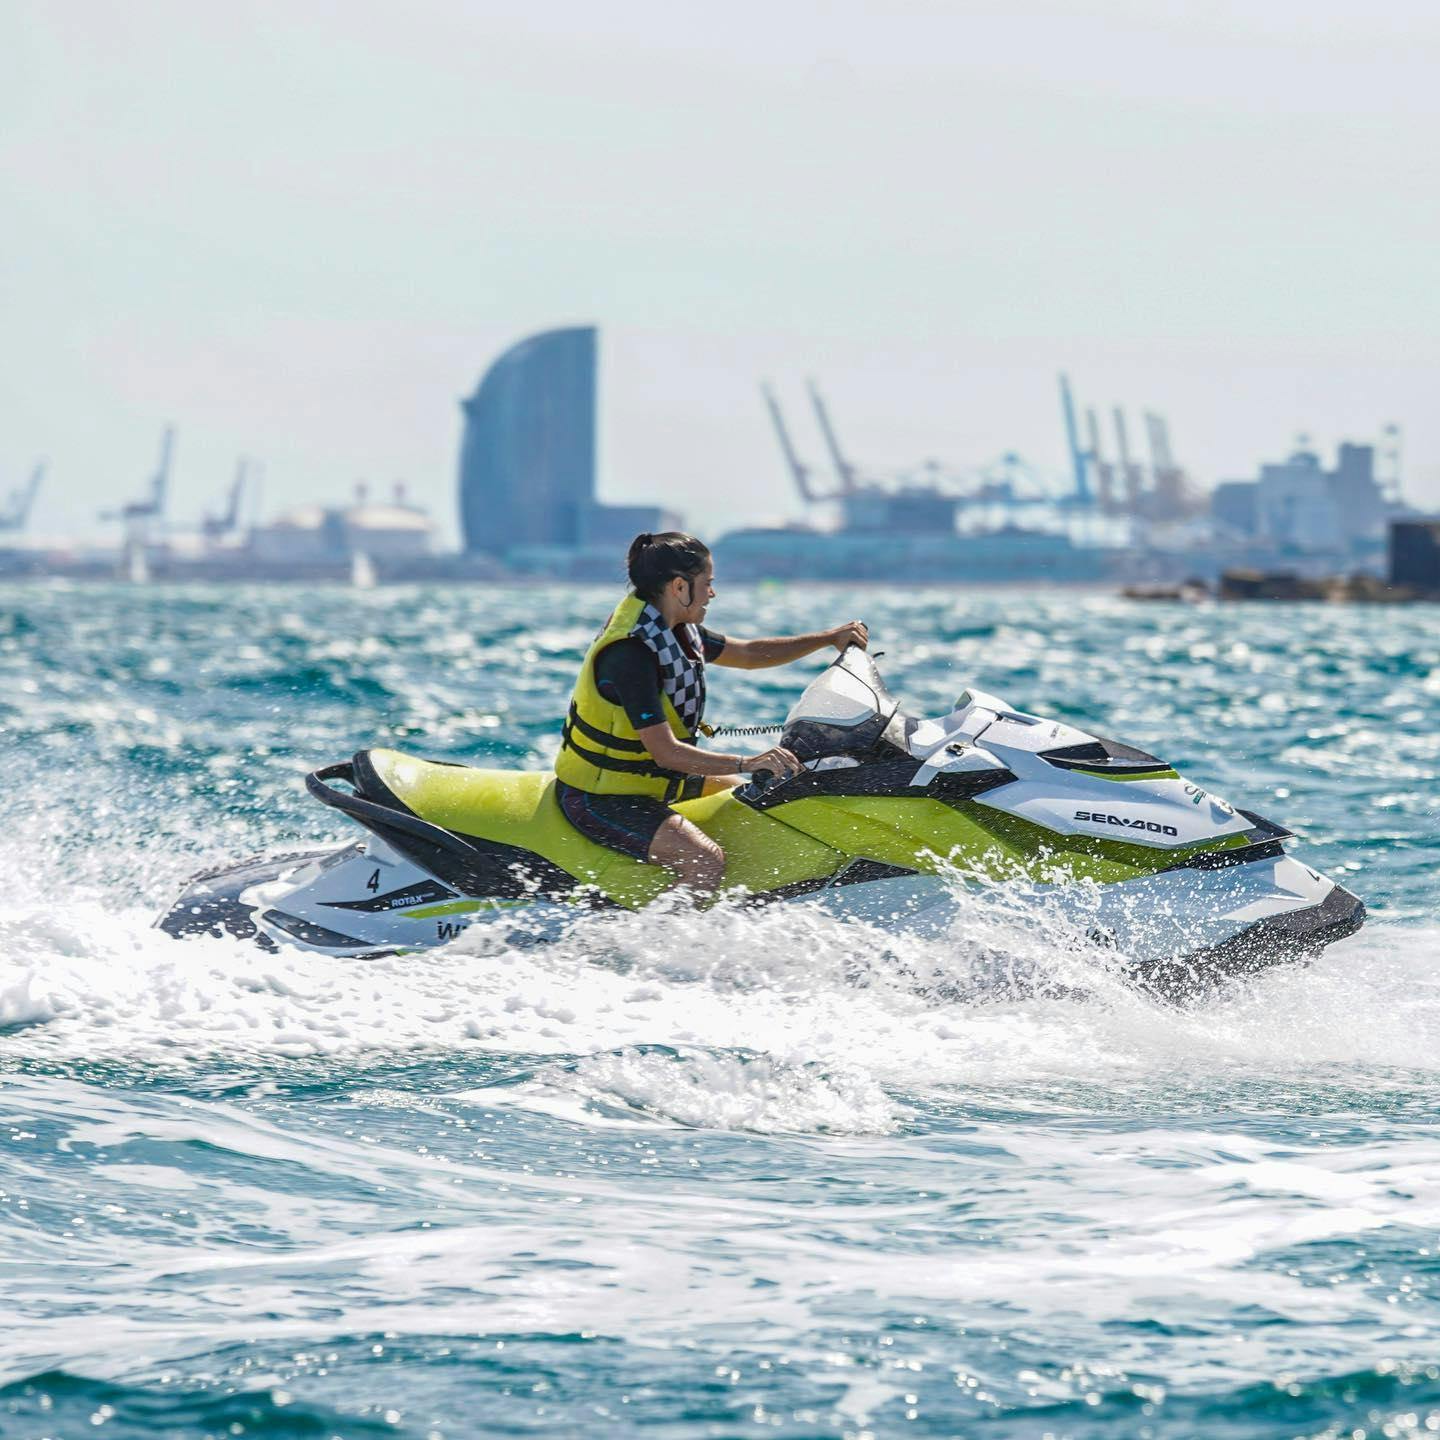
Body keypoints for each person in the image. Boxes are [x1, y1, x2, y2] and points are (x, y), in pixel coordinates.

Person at [553, 532, 868, 899]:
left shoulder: (675, 629)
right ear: (679, 586)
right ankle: (660, 949)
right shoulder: (631, 654)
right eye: (708, 584)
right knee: (704, 861)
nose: (712, 594)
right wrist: (748, 761)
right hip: (601, 796)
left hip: (654, 782)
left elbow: (749, 654)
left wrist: (827, 639)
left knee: (752, 803)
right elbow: (665, 752)